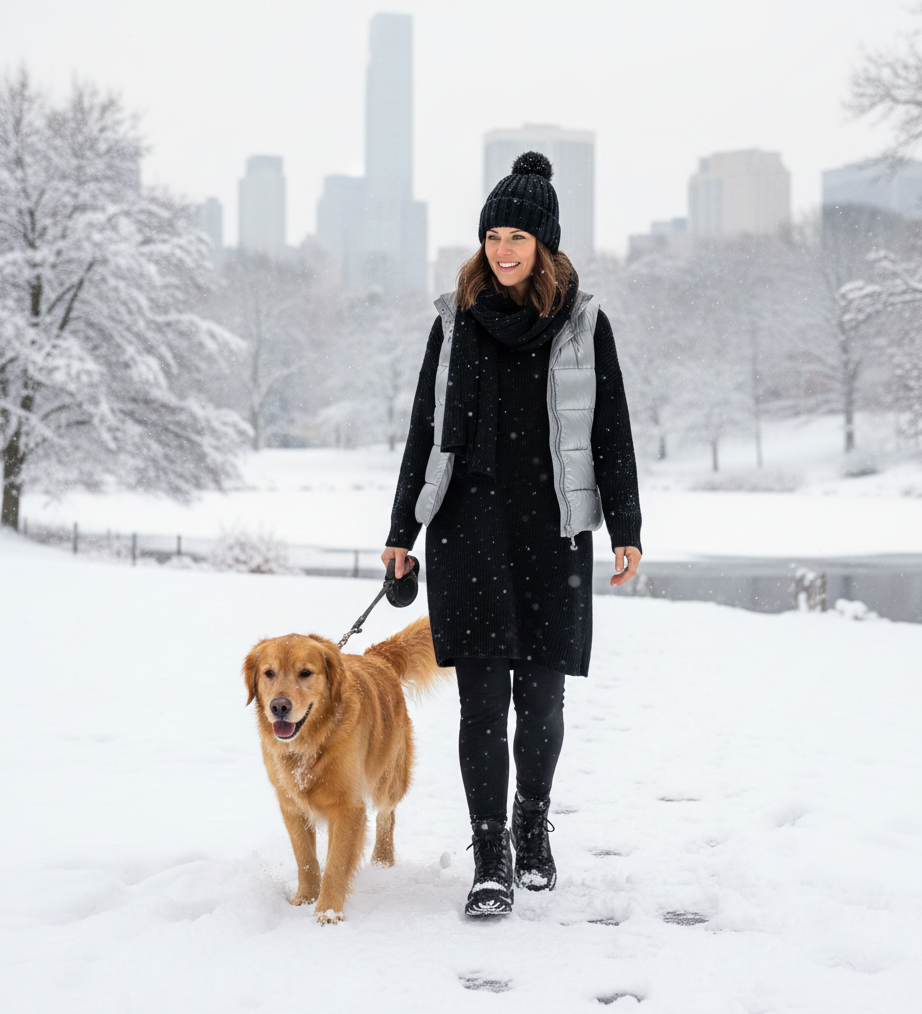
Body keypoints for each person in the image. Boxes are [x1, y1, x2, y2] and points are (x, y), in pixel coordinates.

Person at [381, 152, 642, 917]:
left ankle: (533, 821)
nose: (502, 250)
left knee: (543, 698)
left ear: (544, 245)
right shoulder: (454, 322)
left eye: (517, 237)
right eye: (493, 234)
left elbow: (612, 432)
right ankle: (489, 852)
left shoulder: (585, 325)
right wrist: (402, 529)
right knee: (481, 701)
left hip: (552, 528)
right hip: (468, 528)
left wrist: (625, 526)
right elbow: (424, 431)